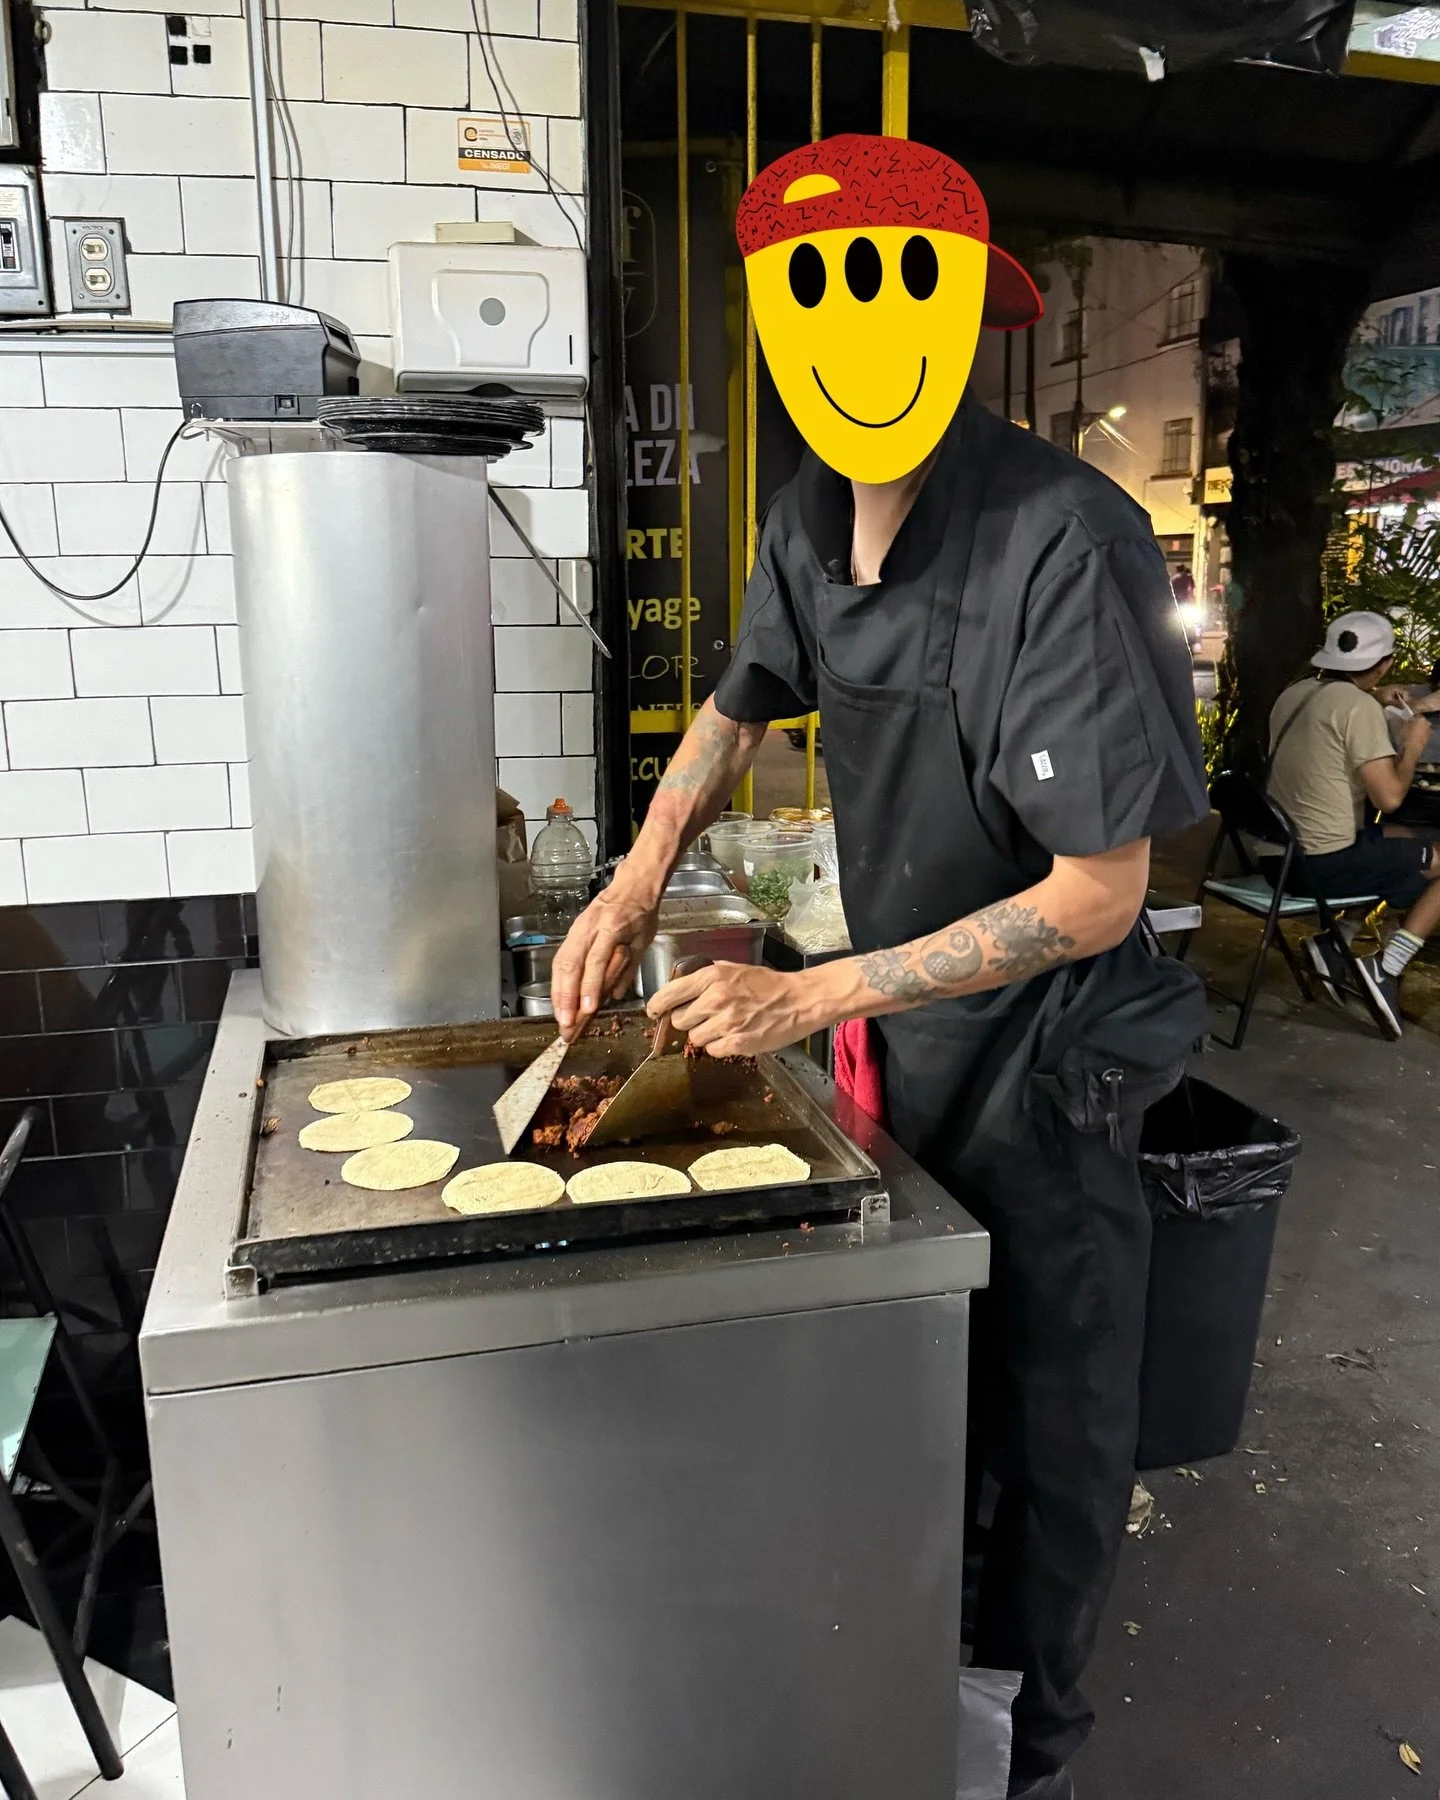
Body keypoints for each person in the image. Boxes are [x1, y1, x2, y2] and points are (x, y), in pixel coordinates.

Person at [552, 133, 1209, 1800]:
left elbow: (1097, 893)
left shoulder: (1064, 540)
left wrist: (809, 994)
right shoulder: (807, 515)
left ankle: (1026, 1736)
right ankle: (926, 1672)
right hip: (926, 1040)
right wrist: (629, 884)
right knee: (936, 1367)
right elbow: (738, 694)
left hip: (1058, 1044)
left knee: (1057, 1404)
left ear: (969, 322)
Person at [1267, 609, 1440, 1037]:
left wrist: (1379, 697)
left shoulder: (1296, 692)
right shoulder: (1358, 708)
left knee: (1407, 840)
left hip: (1275, 853)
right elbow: (1391, 798)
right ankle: (1387, 967)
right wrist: (1414, 745)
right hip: (1318, 867)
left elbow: (1339, 711)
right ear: (1383, 663)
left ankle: (1334, 941)